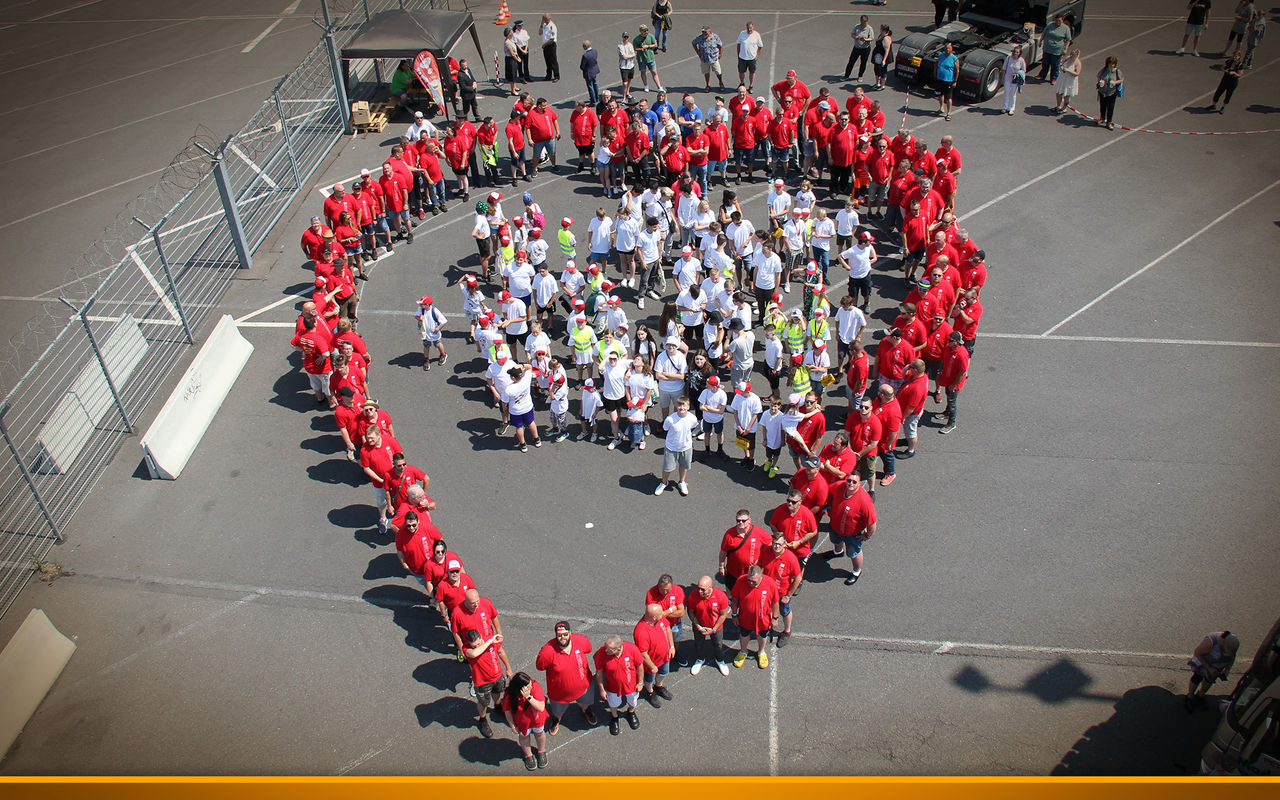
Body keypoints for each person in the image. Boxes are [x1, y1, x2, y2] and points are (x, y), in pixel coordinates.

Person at [536, 622, 599, 734]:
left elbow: (589, 648)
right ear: (555, 635)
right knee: (558, 712)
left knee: (585, 703)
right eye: (559, 635)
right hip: (559, 694)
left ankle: (585, 710)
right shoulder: (547, 651)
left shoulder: (581, 641)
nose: (562, 638)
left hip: (584, 687)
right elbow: (540, 666)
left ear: (570, 632)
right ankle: (556, 719)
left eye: (565, 634)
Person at [461, 627, 514, 739]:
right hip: (482, 682)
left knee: (497, 692)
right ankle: (482, 719)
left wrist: (508, 668)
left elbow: (501, 651)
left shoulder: (490, 640)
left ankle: (498, 706)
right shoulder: (467, 649)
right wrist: (489, 642)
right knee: (483, 702)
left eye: (479, 643)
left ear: (481, 637)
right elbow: (474, 654)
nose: (477, 646)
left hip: (497, 676)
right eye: (474, 645)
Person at [826, 474, 878, 584]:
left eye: (854, 482)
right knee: (836, 541)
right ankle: (838, 552)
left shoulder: (864, 501)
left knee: (854, 553)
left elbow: (872, 523)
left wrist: (867, 535)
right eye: (849, 480)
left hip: (853, 534)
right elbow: (829, 492)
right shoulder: (839, 486)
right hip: (836, 526)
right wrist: (829, 506)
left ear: (859, 484)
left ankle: (856, 571)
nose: (851, 483)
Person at [730, 565, 780, 669]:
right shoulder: (741, 581)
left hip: (763, 619)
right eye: (749, 580)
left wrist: (775, 618)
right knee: (744, 634)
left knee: (762, 635)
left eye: (754, 581)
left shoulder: (770, 583)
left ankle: (761, 652)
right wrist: (734, 615)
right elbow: (734, 599)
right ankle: (743, 651)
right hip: (745, 618)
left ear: (761, 577)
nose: (751, 583)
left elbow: (775, 602)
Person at [594, 635, 644, 735]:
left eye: (610, 649)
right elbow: (599, 672)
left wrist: (640, 682)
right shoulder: (602, 653)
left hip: (631, 686)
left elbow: (639, 665)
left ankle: (631, 712)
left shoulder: (632, 649)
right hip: (612, 688)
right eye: (606, 646)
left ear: (619, 649)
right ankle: (614, 716)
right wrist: (601, 689)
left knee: (633, 702)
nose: (606, 650)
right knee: (613, 704)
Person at [760, 533, 802, 647]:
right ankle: (767, 626)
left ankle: (787, 631)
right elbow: (759, 566)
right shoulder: (766, 552)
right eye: (774, 543)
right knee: (766, 610)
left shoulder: (790, 558)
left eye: (779, 544)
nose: (776, 546)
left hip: (782, 593)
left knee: (785, 611)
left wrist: (788, 595)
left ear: (784, 544)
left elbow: (798, 578)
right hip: (767, 591)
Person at [501, 672, 550, 770]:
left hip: (537, 720)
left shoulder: (535, 686)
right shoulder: (510, 695)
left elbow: (541, 707)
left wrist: (529, 697)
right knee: (524, 737)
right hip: (522, 723)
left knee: (540, 734)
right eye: (527, 686)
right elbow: (508, 711)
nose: (531, 686)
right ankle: (528, 755)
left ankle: (541, 751)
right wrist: (512, 726)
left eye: (530, 684)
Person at [687, 575, 731, 675]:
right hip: (699, 626)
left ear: (710, 588)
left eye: (703, 590)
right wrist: (698, 626)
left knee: (718, 644)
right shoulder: (693, 595)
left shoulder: (721, 596)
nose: (699, 591)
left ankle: (720, 660)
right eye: (698, 588)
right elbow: (690, 612)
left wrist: (714, 629)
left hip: (716, 627)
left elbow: (723, 614)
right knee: (699, 644)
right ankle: (699, 659)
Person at [1185, 630, 1241, 710]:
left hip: (1216, 668)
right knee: (1197, 678)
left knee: (1209, 680)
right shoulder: (1211, 642)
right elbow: (1197, 653)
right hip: (1203, 664)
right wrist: (1209, 668)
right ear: (1223, 643)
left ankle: (1201, 695)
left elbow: (1232, 657)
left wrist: (1227, 670)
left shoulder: (1232, 644)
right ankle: (1190, 696)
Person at [634, 604, 675, 707]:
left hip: (665, 657)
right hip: (652, 663)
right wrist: (652, 666)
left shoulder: (659, 619)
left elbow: (668, 629)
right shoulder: (641, 631)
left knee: (664, 673)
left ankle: (659, 686)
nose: (663, 614)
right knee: (649, 680)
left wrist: (671, 646)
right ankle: (650, 692)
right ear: (653, 617)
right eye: (660, 613)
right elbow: (643, 654)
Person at [718, 509, 770, 591]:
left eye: (743, 521)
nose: (740, 523)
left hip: (750, 574)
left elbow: (771, 545)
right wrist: (721, 566)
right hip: (733, 573)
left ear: (749, 520)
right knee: (730, 592)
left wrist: (762, 561)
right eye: (738, 521)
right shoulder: (729, 534)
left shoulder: (758, 532)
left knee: (748, 593)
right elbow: (723, 552)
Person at [655, 395, 698, 496]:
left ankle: (682, 482)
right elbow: (665, 428)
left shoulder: (692, 418)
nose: (681, 408)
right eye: (679, 405)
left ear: (688, 407)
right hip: (671, 447)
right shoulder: (670, 419)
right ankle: (664, 482)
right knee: (667, 468)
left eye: (684, 405)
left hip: (686, 447)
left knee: (684, 466)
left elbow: (693, 426)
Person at [934, 331, 969, 434]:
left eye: (951, 340)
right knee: (948, 396)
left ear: (957, 342)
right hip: (947, 379)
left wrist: (954, 385)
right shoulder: (948, 348)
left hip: (954, 383)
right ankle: (947, 412)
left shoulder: (962, 354)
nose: (948, 342)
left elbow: (962, 372)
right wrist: (940, 370)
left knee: (952, 402)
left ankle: (951, 423)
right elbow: (944, 360)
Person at [1038, 13, 1073, 83]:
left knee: (1055, 65)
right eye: (1056, 21)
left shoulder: (1065, 28)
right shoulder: (1050, 25)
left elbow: (1068, 39)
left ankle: (1054, 78)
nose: (1058, 22)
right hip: (1047, 48)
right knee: (1045, 63)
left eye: (1059, 21)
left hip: (1057, 50)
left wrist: (1065, 48)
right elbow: (1044, 33)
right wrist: (1040, 41)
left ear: (1062, 20)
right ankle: (1042, 75)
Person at [415, 295, 446, 371]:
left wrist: (438, 329)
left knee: (438, 344)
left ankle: (443, 355)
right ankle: (426, 359)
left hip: (434, 333)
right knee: (426, 346)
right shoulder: (421, 309)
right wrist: (419, 318)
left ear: (427, 305)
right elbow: (416, 316)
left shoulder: (434, 311)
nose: (420, 305)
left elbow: (444, 321)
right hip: (425, 333)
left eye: (422, 304)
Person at [634, 24, 666, 94]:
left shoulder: (650, 36)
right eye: (644, 30)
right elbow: (635, 48)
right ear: (640, 31)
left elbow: (655, 44)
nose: (646, 31)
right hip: (641, 59)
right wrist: (641, 49)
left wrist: (647, 46)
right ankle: (646, 86)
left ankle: (659, 87)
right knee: (643, 72)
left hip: (650, 58)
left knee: (654, 72)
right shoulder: (636, 39)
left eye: (647, 30)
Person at [692, 25, 725, 91]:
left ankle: (721, 83)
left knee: (718, 72)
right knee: (706, 72)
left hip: (714, 58)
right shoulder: (700, 38)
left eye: (705, 32)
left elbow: (720, 46)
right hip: (704, 59)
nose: (704, 33)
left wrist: (720, 54)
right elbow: (693, 43)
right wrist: (698, 52)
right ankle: (708, 85)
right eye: (703, 32)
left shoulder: (715, 37)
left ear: (709, 32)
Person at [1095, 55, 1124, 130]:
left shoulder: (1117, 71)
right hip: (1102, 91)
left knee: (1110, 108)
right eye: (1110, 63)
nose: (1111, 65)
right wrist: (1101, 81)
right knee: (1102, 106)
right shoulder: (1104, 69)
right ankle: (1102, 119)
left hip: (1111, 93)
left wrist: (1115, 82)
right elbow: (1098, 75)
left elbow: (1122, 80)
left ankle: (1109, 122)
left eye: (1113, 64)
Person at [736, 22, 764, 92]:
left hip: (752, 58)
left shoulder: (756, 35)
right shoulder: (742, 33)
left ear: (753, 27)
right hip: (742, 57)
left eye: (750, 28)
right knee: (741, 72)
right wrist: (739, 55)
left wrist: (757, 57)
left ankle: (751, 86)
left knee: (752, 72)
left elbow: (760, 46)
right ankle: (742, 84)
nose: (749, 29)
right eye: (748, 28)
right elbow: (738, 44)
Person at [845, 16, 874, 81]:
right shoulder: (857, 27)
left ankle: (860, 76)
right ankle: (846, 75)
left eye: (865, 23)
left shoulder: (869, 28)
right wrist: (856, 37)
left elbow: (871, 38)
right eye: (863, 23)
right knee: (851, 61)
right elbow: (852, 34)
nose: (864, 25)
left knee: (863, 63)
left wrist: (865, 39)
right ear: (860, 22)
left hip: (865, 48)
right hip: (857, 48)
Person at [1053, 48, 1082, 113]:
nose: (1071, 55)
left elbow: (1077, 73)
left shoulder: (1077, 63)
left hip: (1070, 80)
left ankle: (1064, 108)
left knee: (1067, 95)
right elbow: (1062, 64)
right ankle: (1058, 106)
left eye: (1073, 55)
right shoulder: (1068, 58)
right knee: (1058, 92)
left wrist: (1068, 70)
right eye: (1071, 54)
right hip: (1062, 77)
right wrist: (1062, 67)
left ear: (1077, 55)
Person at [935, 43, 958, 120]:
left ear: (952, 49)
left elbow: (957, 71)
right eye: (945, 48)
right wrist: (935, 73)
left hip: (948, 80)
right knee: (940, 94)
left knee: (948, 97)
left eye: (948, 48)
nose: (947, 50)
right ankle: (941, 108)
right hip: (939, 79)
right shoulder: (941, 56)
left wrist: (955, 81)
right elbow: (936, 64)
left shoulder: (954, 59)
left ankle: (949, 113)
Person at [1001, 44, 1026, 115]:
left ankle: (1012, 108)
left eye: (1017, 52)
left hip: (1015, 81)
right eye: (1015, 51)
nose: (1015, 53)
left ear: (1019, 53)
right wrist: (1003, 78)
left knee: (1013, 94)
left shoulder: (1021, 60)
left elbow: (1023, 70)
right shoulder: (1009, 58)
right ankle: (1005, 107)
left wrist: (1017, 74)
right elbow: (1004, 68)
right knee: (1006, 93)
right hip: (1007, 79)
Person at [871, 25, 893, 90]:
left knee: (883, 71)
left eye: (881, 29)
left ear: (884, 30)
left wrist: (884, 60)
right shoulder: (881, 35)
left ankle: (882, 85)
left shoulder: (886, 38)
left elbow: (887, 50)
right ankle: (877, 83)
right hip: (878, 57)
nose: (880, 30)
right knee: (877, 69)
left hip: (882, 57)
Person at [539, 14, 560, 83]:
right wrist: (541, 24)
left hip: (551, 45)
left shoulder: (552, 26)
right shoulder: (544, 25)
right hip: (546, 45)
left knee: (553, 61)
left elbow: (552, 39)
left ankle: (556, 76)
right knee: (547, 61)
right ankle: (549, 75)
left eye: (543, 19)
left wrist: (544, 45)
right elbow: (540, 32)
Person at [581, 40, 601, 105]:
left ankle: (593, 100)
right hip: (594, 70)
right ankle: (597, 97)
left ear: (585, 47)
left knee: (590, 86)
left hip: (588, 73)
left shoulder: (585, 56)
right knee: (595, 84)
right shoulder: (595, 51)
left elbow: (582, 66)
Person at [618, 32, 638, 100]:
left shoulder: (630, 45)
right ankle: (623, 97)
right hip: (624, 67)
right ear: (622, 37)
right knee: (625, 83)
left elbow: (634, 54)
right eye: (624, 37)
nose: (626, 38)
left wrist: (628, 56)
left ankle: (627, 93)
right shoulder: (620, 46)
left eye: (627, 37)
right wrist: (630, 55)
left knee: (629, 80)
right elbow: (623, 56)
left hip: (631, 65)